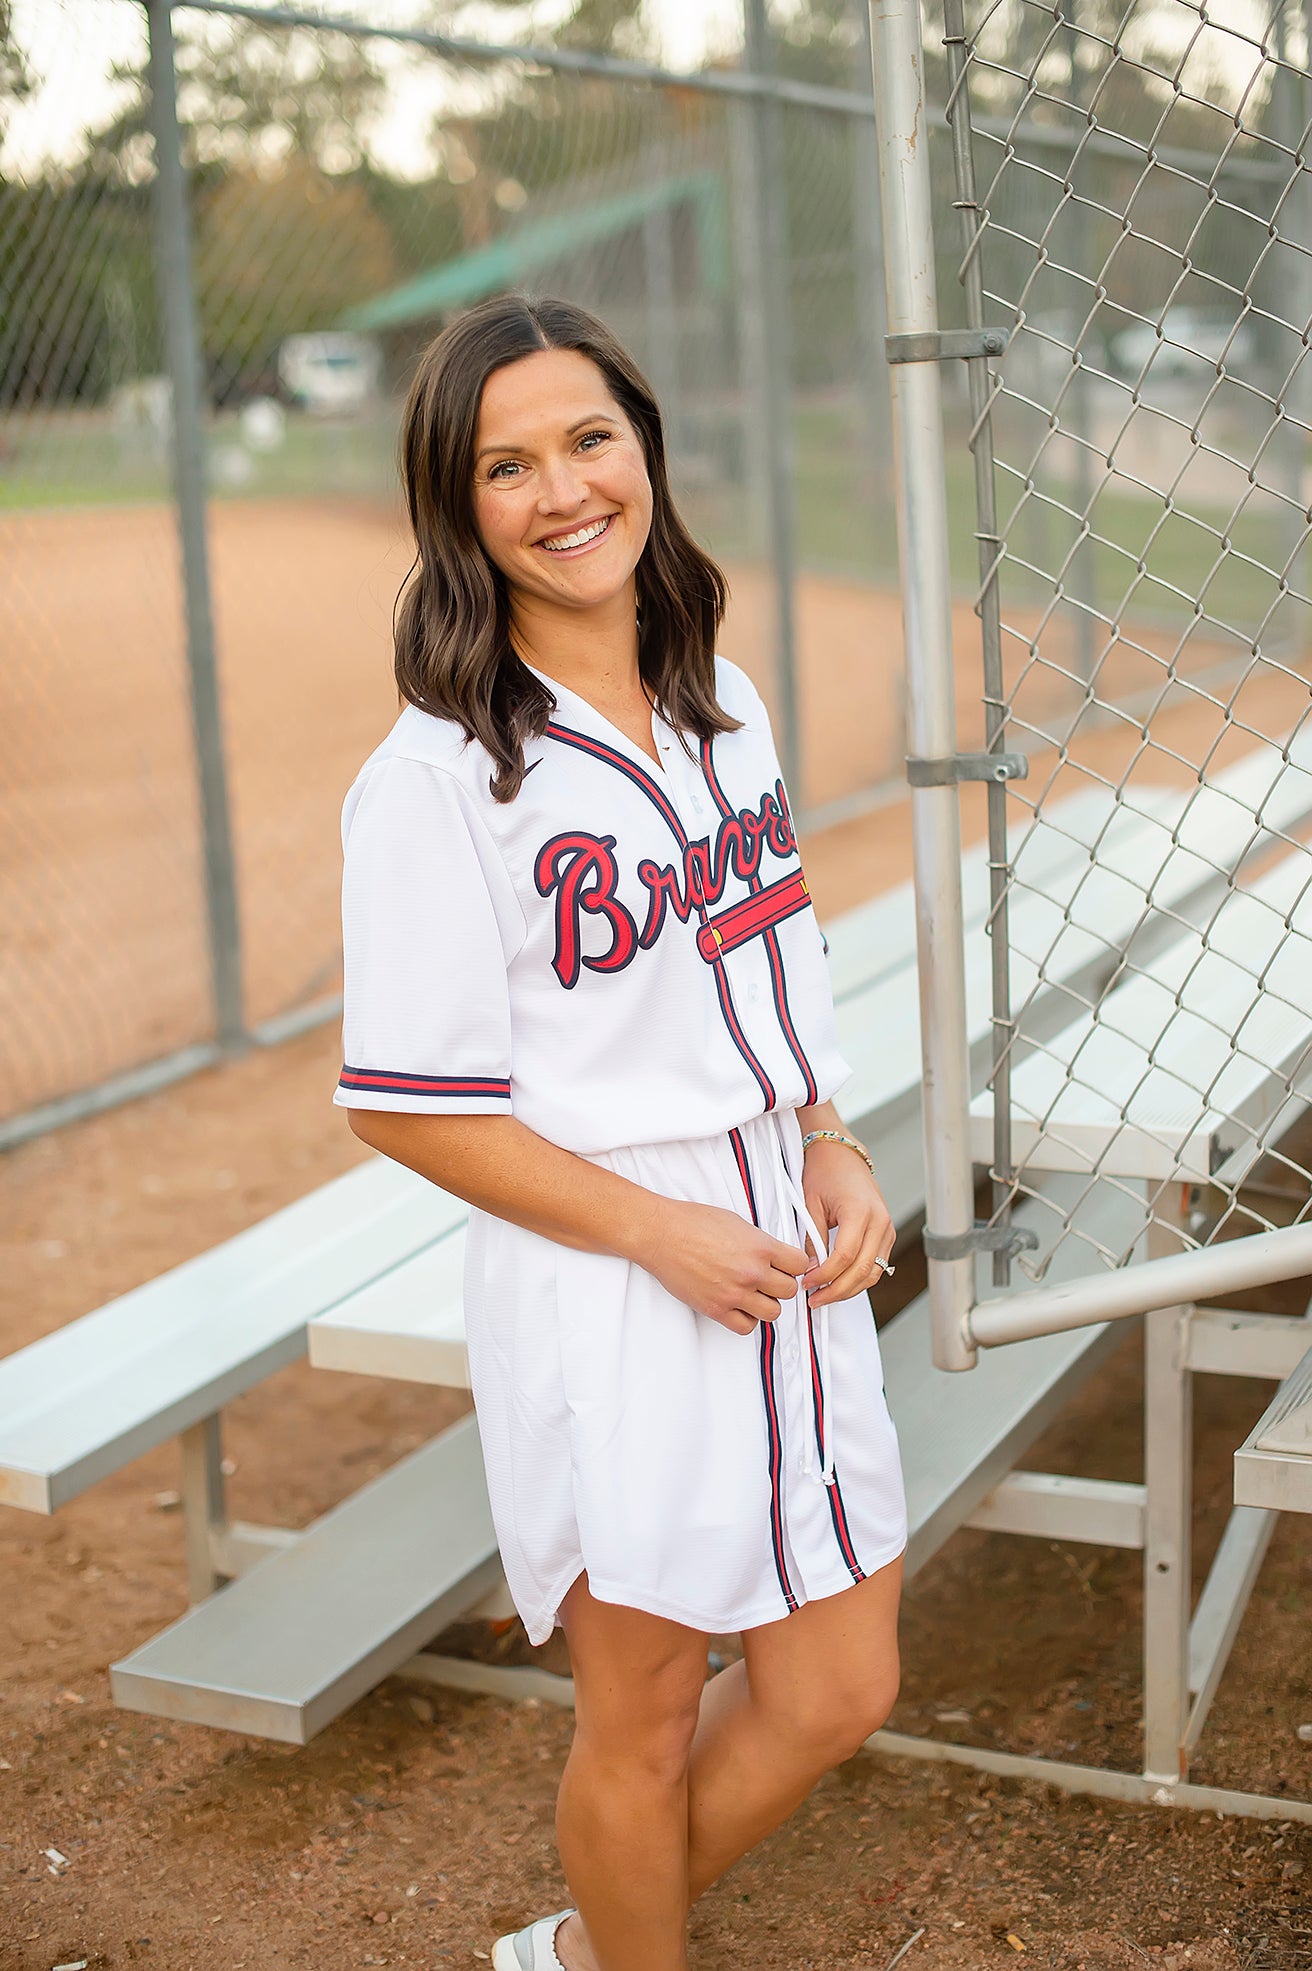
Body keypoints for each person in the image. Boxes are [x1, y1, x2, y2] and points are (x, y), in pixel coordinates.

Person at [335, 292, 907, 1971]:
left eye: (589, 439)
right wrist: (659, 1233)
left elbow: (771, 957)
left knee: (837, 1685)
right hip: (613, 1271)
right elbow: (402, 1104)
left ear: (643, 444)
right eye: (504, 466)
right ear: (459, 507)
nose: (563, 489)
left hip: (780, 1237)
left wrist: (833, 1135)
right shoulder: (442, 773)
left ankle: (583, 1951)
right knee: (643, 1720)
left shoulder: (717, 693)